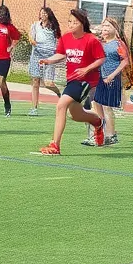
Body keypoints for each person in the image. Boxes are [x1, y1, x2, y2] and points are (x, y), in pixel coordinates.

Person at [38, 9, 107, 156]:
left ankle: (55, 145)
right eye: (69, 21)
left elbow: (101, 58)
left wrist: (86, 69)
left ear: (82, 24)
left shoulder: (91, 40)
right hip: (72, 80)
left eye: (75, 22)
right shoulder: (66, 38)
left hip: (85, 81)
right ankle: (98, 123)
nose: (71, 24)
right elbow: (61, 54)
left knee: (61, 105)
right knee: (76, 115)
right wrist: (49, 60)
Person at [90, 16, 130, 146]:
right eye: (104, 26)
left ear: (115, 28)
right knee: (97, 104)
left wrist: (112, 75)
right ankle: (100, 133)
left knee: (107, 107)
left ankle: (111, 135)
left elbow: (125, 61)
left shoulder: (118, 43)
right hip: (101, 78)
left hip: (111, 79)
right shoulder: (102, 42)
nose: (105, 28)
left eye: (108, 26)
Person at [27, 6, 61, 116]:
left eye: (45, 13)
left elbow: (58, 40)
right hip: (37, 55)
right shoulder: (36, 25)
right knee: (35, 82)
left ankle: (60, 94)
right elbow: (31, 37)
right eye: (41, 13)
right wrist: (34, 43)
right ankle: (34, 108)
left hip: (49, 56)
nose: (43, 15)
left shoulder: (53, 27)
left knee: (48, 83)